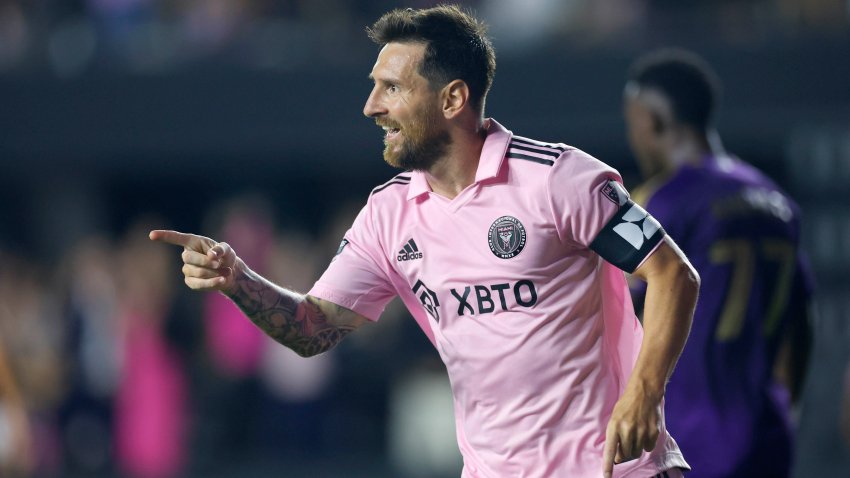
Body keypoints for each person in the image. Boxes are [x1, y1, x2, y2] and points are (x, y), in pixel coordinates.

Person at [151, 6, 700, 477]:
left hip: (612, 468)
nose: (371, 106)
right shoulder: (388, 215)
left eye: (391, 87)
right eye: (373, 87)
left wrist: (644, 393)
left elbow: (674, 274)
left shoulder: (558, 179)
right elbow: (312, 329)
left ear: (453, 98)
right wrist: (238, 280)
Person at [623, 48, 814, 478]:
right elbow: (801, 322)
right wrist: (786, 407)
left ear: (650, 120)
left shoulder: (663, 200)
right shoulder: (776, 201)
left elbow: (619, 310)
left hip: (691, 436)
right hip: (768, 434)